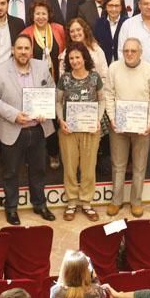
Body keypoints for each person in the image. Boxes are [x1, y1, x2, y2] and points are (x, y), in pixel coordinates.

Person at [0, 34, 57, 225]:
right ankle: (11, 208)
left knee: (39, 170)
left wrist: (45, 110)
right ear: (12, 50)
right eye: (19, 48)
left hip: (38, 129)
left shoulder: (42, 67)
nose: (23, 52)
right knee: (10, 172)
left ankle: (40, 204)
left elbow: (52, 90)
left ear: (31, 51)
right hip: (11, 128)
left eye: (26, 48)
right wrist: (13, 115)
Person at [104, 37, 150, 217]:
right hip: (118, 127)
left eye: (133, 51)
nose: (129, 54)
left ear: (140, 52)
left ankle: (136, 202)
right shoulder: (113, 68)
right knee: (118, 166)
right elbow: (108, 95)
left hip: (142, 128)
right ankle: (116, 201)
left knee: (139, 167)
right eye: (126, 51)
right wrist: (112, 119)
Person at [56, 42, 104, 222]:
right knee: (69, 166)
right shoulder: (65, 78)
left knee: (88, 167)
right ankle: (71, 202)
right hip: (68, 129)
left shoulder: (94, 77)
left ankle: (86, 203)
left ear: (85, 58)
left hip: (90, 129)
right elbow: (58, 102)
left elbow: (102, 100)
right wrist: (61, 120)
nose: (75, 61)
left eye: (78, 57)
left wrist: (97, 119)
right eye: (71, 58)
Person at [22, 0, 67, 80]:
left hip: (58, 78)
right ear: (32, 15)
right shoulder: (25, 34)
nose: (41, 17)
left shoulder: (59, 29)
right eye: (37, 14)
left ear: (49, 15)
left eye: (44, 14)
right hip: (34, 80)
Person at [61, 16, 108, 81]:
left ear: (84, 30)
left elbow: (104, 75)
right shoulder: (65, 53)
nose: (75, 33)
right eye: (72, 31)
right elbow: (62, 77)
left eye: (78, 30)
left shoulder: (96, 49)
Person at [94, 0, 128, 65]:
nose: (113, 9)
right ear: (106, 6)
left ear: (121, 7)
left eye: (117, 6)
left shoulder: (128, 23)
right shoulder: (99, 23)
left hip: (124, 64)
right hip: (104, 64)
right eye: (110, 5)